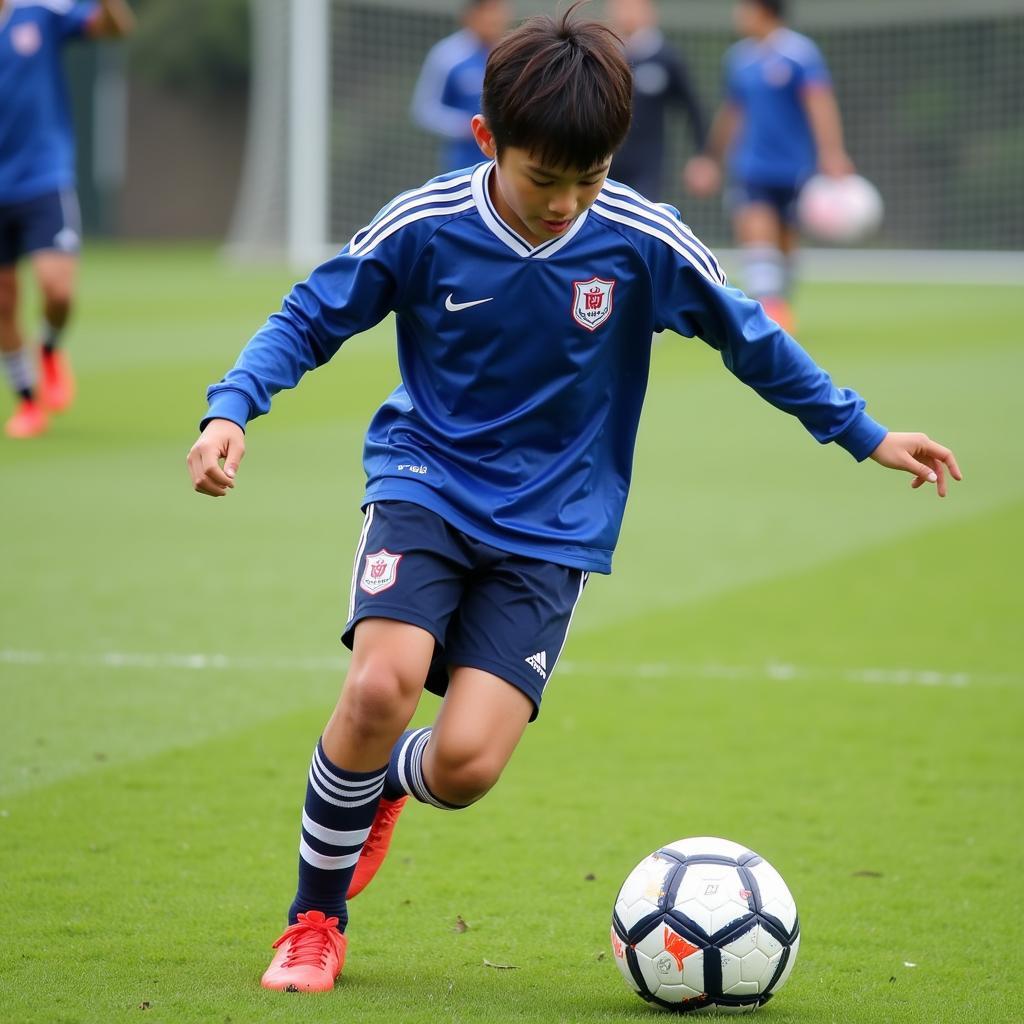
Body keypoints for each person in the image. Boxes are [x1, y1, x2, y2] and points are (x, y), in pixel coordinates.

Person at [187, 2, 960, 995]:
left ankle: (374, 778)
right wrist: (231, 410)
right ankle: (313, 918)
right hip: (424, 480)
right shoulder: (426, 225)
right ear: (486, 140)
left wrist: (865, 434)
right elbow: (308, 316)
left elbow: (752, 342)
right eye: (542, 177)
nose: (564, 203)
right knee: (379, 687)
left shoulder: (642, 238)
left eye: (587, 179)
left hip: (555, 525)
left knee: (463, 767)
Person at [0, 0, 134, 439]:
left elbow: (115, 29)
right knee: (3, 302)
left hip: (42, 176)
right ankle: (27, 401)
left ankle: (50, 349)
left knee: (57, 289)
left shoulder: (39, 12)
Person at [684, 0, 852, 331]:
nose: (737, 14)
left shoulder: (800, 54)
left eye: (744, 7)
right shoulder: (738, 59)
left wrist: (832, 152)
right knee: (755, 230)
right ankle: (769, 309)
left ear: (764, 11)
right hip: (751, 167)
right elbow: (733, 113)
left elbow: (819, 104)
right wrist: (711, 158)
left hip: (795, 169)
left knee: (786, 243)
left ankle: (779, 301)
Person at [607, 0, 706, 201]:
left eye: (633, 6)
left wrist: (703, 157)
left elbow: (694, 108)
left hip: (646, 168)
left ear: (649, 11)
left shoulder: (665, 57)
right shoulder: (603, 55)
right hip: (604, 163)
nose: (627, 13)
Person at [410, 0, 511, 174]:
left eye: (497, 11)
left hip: (507, 162)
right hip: (464, 165)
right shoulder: (447, 56)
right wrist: (465, 126)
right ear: (470, 16)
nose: (493, 18)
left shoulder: (513, 53)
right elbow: (424, 110)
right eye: (487, 12)